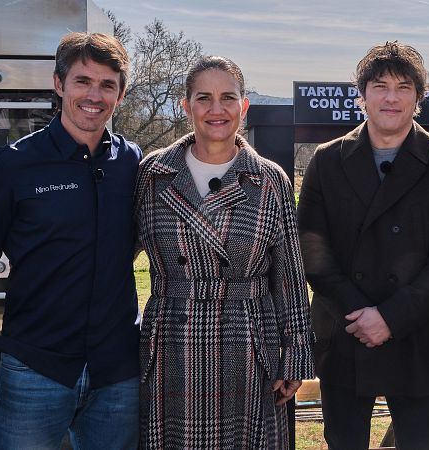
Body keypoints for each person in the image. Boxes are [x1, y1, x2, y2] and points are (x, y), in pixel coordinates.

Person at [0, 32, 141, 449]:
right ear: (59, 85)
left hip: (118, 374)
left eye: (107, 85)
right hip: (35, 369)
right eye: (82, 81)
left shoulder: (133, 162)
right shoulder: (14, 165)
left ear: (121, 94)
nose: (94, 95)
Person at [135, 56, 314, 449]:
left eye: (228, 97)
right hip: (171, 346)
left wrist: (294, 357)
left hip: (248, 343)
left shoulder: (270, 179)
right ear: (186, 106)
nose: (216, 109)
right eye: (204, 98)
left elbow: (289, 277)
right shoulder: (151, 174)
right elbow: (115, 260)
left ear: (243, 105)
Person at [298, 41, 429, 450]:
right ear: (362, 96)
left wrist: (390, 317)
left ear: (419, 97)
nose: (391, 97)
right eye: (379, 86)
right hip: (344, 330)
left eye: (403, 87)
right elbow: (312, 252)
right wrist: (361, 315)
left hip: (416, 332)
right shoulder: (326, 160)